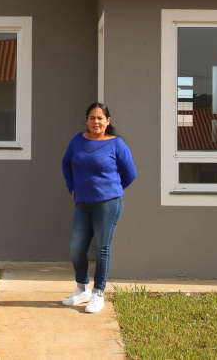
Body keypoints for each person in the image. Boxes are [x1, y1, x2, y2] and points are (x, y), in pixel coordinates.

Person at [60, 102, 137, 313]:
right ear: (86, 120)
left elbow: (130, 174)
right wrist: (72, 187)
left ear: (108, 121)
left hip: (108, 204)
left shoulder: (117, 144)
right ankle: (82, 289)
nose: (96, 121)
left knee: (101, 248)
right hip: (82, 203)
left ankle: (98, 293)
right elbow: (66, 163)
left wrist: (111, 190)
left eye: (100, 118)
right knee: (76, 247)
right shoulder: (77, 140)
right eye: (92, 117)